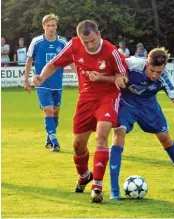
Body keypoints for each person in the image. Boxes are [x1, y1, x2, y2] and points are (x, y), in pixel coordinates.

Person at [32, 20, 127, 203]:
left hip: (108, 98)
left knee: (101, 137)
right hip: (85, 99)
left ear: (98, 34)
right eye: (86, 43)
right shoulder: (74, 45)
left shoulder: (111, 51)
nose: (90, 45)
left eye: (92, 41)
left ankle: (97, 186)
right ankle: (84, 175)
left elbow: (121, 77)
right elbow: (53, 64)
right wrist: (41, 77)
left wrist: (104, 78)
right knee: (77, 145)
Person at [109, 48, 174, 200]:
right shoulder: (132, 63)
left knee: (166, 139)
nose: (155, 75)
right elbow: (114, 66)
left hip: (149, 107)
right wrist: (116, 77)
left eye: (159, 72)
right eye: (152, 70)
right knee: (119, 134)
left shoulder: (165, 78)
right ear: (146, 63)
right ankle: (114, 190)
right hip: (126, 104)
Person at [24, 13, 68, 152]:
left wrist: (80, 77)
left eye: (53, 25)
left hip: (57, 84)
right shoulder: (36, 42)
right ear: (43, 26)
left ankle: (49, 138)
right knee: (48, 110)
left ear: (56, 26)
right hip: (41, 83)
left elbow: (71, 60)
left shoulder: (62, 42)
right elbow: (29, 60)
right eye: (48, 25)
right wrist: (26, 80)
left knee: (55, 113)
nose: (51, 28)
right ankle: (55, 142)